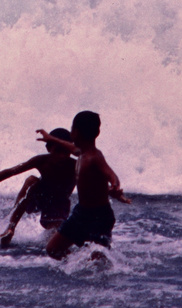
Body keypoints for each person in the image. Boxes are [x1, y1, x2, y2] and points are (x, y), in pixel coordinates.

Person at [0, 128, 77, 247]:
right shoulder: (42, 161)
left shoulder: (76, 166)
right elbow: (10, 172)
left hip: (58, 205)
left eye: (65, 152)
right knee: (31, 180)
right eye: (57, 151)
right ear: (48, 149)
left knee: (54, 239)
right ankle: (11, 228)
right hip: (38, 198)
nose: (62, 156)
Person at [39, 111, 130, 260]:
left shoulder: (94, 157)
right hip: (81, 213)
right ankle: (77, 263)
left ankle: (96, 273)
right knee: (52, 249)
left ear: (75, 132)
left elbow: (111, 175)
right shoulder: (80, 152)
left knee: (99, 258)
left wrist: (114, 186)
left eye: (72, 128)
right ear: (97, 132)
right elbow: (70, 147)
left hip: (100, 216)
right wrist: (50, 138)